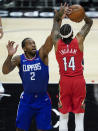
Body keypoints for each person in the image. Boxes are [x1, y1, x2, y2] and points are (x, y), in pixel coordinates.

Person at [2, 4, 70, 131]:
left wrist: (58, 19)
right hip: (26, 100)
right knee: (20, 129)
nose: (33, 45)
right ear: (24, 48)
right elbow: (5, 71)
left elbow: (53, 36)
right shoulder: (19, 59)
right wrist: (9, 55)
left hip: (43, 100)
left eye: (34, 43)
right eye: (30, 43)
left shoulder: (42, 54)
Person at [51, 5, 93, 131]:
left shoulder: (56, 42)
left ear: (60, 35)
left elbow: (55, 26)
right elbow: (89, 23)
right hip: (78, 82)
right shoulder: (79, 40)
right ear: (73, 34)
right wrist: (81, 15)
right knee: (79, 118)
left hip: (64, 82)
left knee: (63, 118)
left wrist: (60, 15)